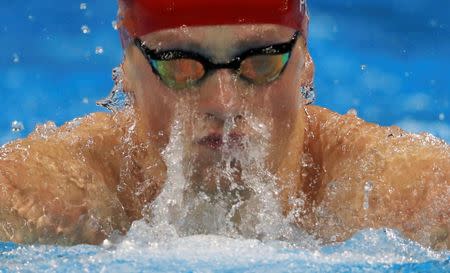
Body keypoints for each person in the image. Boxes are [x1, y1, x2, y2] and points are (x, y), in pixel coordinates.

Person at [0, 0, 448, 249]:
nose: (223, 102)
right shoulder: (70, 186)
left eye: (261, 60)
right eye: (179, 64)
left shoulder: (379, 191)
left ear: (306, 61)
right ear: (128, 71)